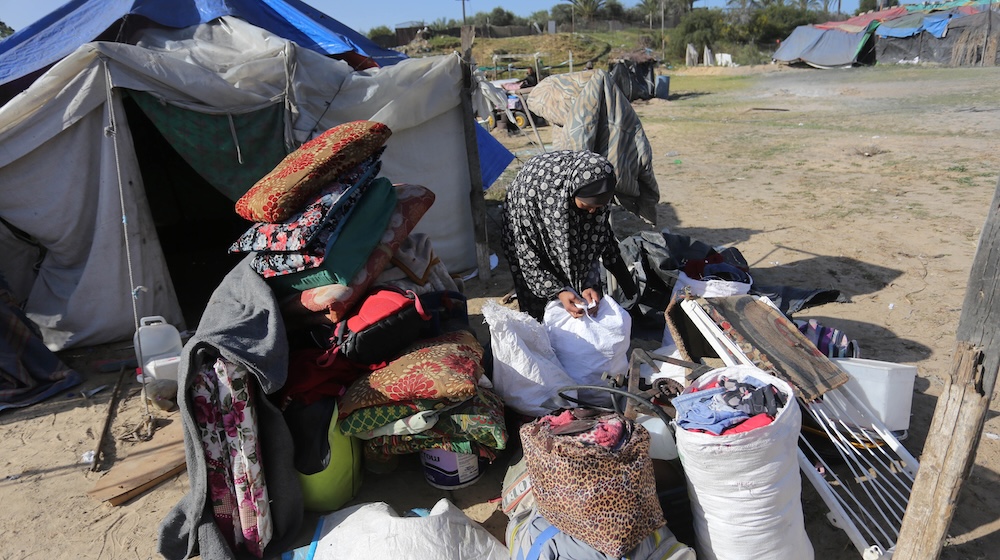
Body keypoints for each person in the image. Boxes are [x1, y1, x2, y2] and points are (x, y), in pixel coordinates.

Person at [501, 150, 636, 321]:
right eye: (587, 205)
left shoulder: (593, 192)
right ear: (572, 192)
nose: (593, 211)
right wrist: (558, 291)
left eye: (600, 206)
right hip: (529, 237)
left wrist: (588, 284)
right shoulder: (537, 195)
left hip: (560, 213)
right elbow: (528, 255)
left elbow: (597, 241)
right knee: (540, 312)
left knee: (580, 298)